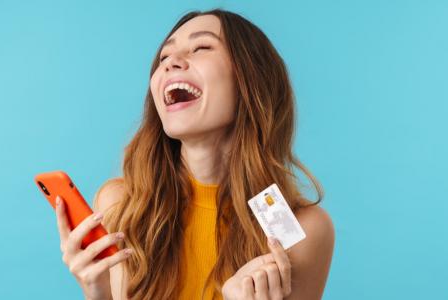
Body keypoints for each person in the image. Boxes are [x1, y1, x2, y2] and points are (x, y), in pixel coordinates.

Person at [55, 8, 335, 300]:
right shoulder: (122, 205)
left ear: (251, 79)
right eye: (164, 57)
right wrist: (96, 293)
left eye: (201, 47)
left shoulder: (302, 229)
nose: (170, 62)